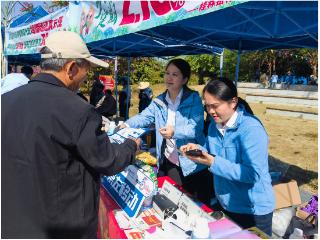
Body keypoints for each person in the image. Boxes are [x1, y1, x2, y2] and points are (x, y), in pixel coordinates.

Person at [2, 31, 140, 238]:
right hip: (62, 227)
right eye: (87, 70)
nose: (86, 79)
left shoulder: (6, 101)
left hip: (13, 224)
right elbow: (107, 160)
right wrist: (131, 146)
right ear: (72, 68)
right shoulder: (78, 110)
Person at [180, 78, 274, 235]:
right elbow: (211, 152)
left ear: (233, 102)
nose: (210, 111)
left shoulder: (251, 129)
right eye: (207, 106)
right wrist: (198, 150)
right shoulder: (213, 126)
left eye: (215, 106)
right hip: (226, 204)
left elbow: (253, 173)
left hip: (252, 210)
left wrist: (213, 162)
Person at [119, 58, 213, 205]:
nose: (169, 77)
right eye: (167, 73)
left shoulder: (193, 99)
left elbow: (196, 128)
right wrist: (126, 124)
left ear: (184, 79)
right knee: (172, 202)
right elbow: (144, 117)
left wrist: (174, 132)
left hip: (192, 164)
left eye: (175, 74)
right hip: (169, 160)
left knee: (194, 206)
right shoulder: (159, 101)